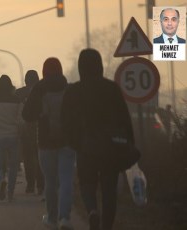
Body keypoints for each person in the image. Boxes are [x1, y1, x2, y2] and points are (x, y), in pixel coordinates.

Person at [61, 49, 134, 230]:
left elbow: (65, 121)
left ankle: (92, 210)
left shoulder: (73, 91)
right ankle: (107, 226)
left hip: (86, 146)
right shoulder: (111, 88)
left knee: (87, 182)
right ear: (100, 65)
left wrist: (74, 142)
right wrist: (129, 144)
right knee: (109, 188)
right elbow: (125, 118)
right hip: (111, 147)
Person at [22, 57, 75, 230]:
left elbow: (26, 114)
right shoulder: (68, 88)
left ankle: (52, 218)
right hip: (67, 141)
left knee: (50, 182)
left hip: (45, 142)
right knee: (66, 179)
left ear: (44, 71)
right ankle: (65, 218)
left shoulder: (39, 88)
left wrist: (40, 115)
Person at [15, 70, 44, 195]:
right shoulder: (41, 91)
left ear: (26, 80)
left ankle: (30, 185)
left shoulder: (19, 93)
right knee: (39, 158)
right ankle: (40, 185)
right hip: (39, 128)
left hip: (24, 129)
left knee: (27, 158)